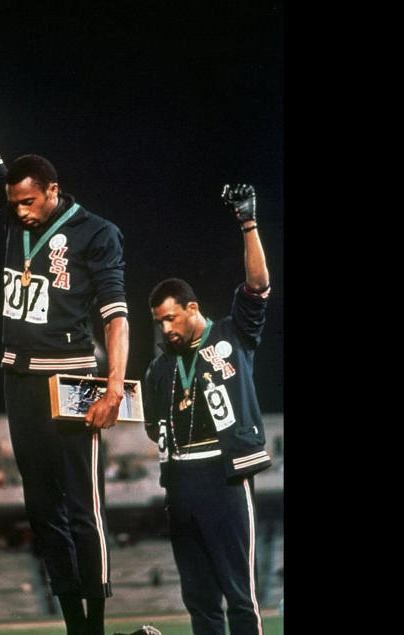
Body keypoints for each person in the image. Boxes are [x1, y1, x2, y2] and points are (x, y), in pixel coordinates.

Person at [0, 32, 130, 635]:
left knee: (82, 507)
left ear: (53, 191)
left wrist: (114, 386)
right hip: (18, 378)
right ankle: (73, 622)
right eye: (12, 203)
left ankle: (95, 621)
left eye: (27, 202)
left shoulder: (98, 234)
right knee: (42, 511)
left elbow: (116, 316)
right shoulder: (14, 207)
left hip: (72, 379)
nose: (17, 212)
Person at [143, 184, 272, 635]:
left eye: (171, 318)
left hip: (224, 475)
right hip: (178, 483)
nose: (165, 327)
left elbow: (257, 287)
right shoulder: (159, 369)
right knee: (198, 600)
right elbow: (149, 426)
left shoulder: (231, 336)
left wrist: (248, 222)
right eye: (159, 321)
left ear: (192, 308)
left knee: (239, 596)